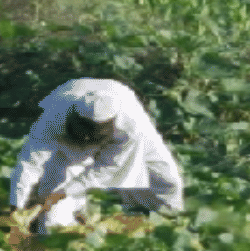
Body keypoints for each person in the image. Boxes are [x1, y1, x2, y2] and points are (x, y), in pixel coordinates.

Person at [10, 78, 184, 233]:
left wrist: (61, 193)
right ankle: (69, 218)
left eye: (92, 132)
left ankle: (167, 221)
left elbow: (107, 168)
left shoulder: (131, 126)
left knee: (167, 178)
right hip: (71, 95)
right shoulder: (54, 116)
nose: (87, 138)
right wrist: (16, 206)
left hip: (121, 95)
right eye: (84, 129)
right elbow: (30, 162)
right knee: (52, 222)